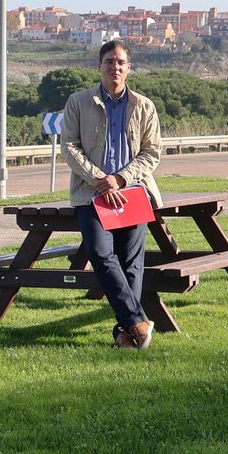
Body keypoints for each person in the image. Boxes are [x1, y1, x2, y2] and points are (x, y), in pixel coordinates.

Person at [60, 40, 164, 349]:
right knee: (100, 254)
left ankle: (125, 333)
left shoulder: (144, 106)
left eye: (120, 62)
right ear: (99, 66)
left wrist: (119, 178)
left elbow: (151, 153)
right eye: (109, 61)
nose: (114, 67)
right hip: (91, 195)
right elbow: (69, 146)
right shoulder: (78, 102)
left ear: (128, 68)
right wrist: (99, 179)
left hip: (132, 192)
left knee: (131, 263)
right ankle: (137, 322)